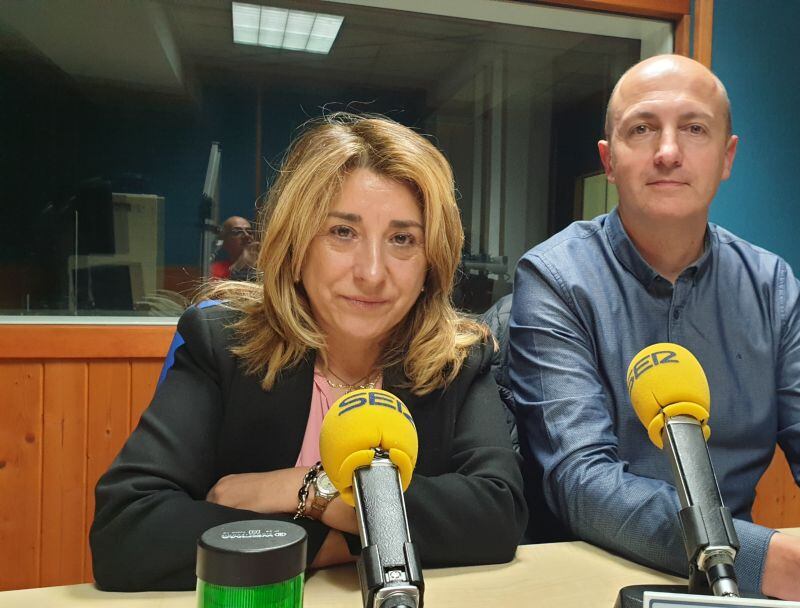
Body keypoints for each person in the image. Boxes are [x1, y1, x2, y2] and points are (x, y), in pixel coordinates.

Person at [507, 54, 800, 606]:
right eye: (643, 129)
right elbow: (582, 482)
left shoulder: (770, 284)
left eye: (694, 128)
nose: (668, 151)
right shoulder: (555, 278)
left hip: (731, 588)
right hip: (595, 575)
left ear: (726, 156)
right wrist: (781, 562)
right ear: (608, 161)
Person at [90, 113, 527, 591]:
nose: (372, 272)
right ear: (297, 246)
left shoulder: (458, 361)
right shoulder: (221, 342)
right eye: (343, 232)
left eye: (403, 239)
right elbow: (126, 533)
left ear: (431, 263)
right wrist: (346, 538)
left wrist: (308, 492)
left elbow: (497, 515)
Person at [210, 215, 258, 281]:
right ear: (225, 242)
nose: (247, 235)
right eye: (237, 232)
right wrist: (240, 265)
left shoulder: (266, 267)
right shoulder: (215, 270)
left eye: (249, 232)